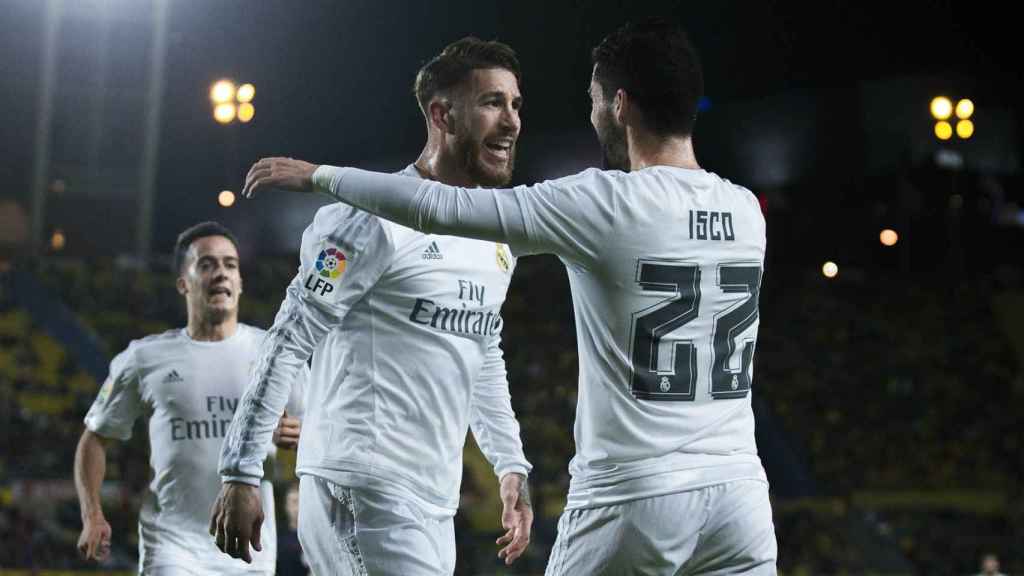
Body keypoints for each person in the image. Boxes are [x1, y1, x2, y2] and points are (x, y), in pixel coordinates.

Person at [241, 18, 777, 575]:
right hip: (741, 498)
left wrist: (320, 175)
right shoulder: (745, 211)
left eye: (593, 102)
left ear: (620, 105)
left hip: (637, 495)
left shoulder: (605, 201)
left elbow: (439, 209)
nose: (519, 121)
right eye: (496, 103)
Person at [211, 37, 533, 575]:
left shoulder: (492, 234)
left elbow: (483, 353)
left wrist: (509, 464)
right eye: (492, 102)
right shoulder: (366, 218)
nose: (511, 121)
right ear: (441, 115)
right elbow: (289, 339)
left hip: (432, 498)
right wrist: (241, 471)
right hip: (361, 484)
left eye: (516, 104)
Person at [74, 221, 305, 575]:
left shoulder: (275, 354)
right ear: (184, 282)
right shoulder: (143, 358)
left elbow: (323, 432)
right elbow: (94, 439)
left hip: (250, 552)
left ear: (240, 282)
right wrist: (92, 515)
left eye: (230, 265)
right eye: (207, 264)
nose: (221, 273)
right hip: (172, 548)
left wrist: (302, 435)